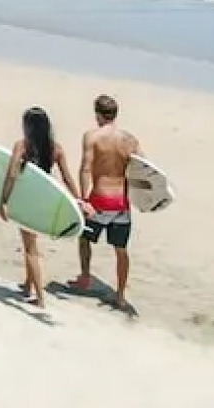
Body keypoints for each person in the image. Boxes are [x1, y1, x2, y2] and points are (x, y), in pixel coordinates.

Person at [0, 105, 86, 309]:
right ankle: (28, 285)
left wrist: (4, 200)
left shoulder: (22, 146)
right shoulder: (56, 149)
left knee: (30, 249)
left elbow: (11, 174)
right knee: (31, 242)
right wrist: (79, 200)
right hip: (44, 202)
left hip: (26, 201)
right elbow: (67, 178)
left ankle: (40, 297)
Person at [71, 93, 140, 312]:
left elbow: (86, 168)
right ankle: (120, 296)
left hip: (100, 200)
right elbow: (143, 170)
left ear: (98, 115)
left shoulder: (92, 137)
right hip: (122, 204)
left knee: (84, 238)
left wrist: (83, 199)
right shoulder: (129, 140)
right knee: (121, 250)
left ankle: (85, 278)